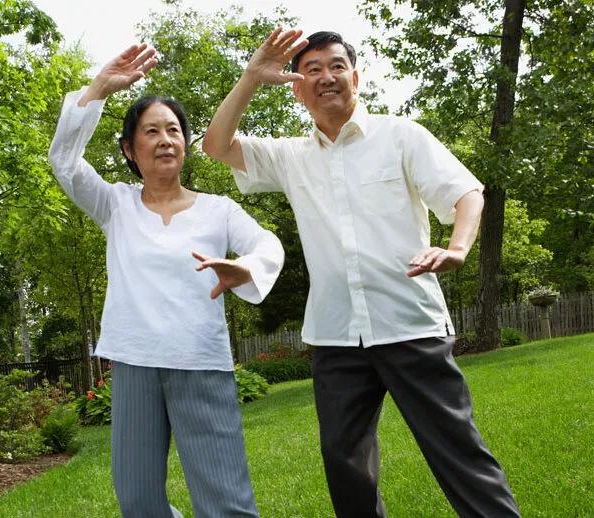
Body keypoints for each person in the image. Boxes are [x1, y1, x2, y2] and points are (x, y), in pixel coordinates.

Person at [203, 29, 521, 518]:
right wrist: (250, 76)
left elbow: (466, 193)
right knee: (346, 466)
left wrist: (457, 247)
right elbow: (216, 144)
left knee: (458, 455)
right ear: (297, 88)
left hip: (410, 324)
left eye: (336, 66)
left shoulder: (401, 135)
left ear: (356, 76)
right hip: (336, 337)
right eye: (312, 70)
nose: (326, 77)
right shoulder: (291, 157)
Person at [49, 43, 283, 518]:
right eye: (151, 132)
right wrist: (98, 87)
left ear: (185, 143)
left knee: (225, 501)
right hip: (135, 363)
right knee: (138, 501)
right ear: (129, 150)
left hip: (201, 362)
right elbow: (66, 163)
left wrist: (247, 269)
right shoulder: (114, 205)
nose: (164, 140)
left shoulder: (219, 210)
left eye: (173, 130)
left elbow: (268, 244)